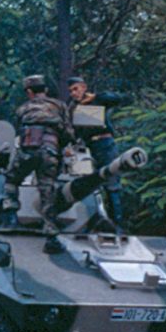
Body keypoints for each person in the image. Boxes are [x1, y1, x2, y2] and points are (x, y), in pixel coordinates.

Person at [2, 75, 75, 254]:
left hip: (27, 150)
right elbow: (68, 134)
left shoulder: (23, 108)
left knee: (11, 179)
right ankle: (51, 236)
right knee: (47, 190)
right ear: (46, 90)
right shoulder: (60, 106)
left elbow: (18, 130)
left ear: (29, 92)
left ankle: (11, 217)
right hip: (49, 151)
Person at [68, 76, 126, 227]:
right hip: (86, 148)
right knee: (85, 181)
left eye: (76, 89)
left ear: (83, 87)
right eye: (71, 91)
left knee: (112, 184)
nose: (74, 93)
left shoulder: (97, 100)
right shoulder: (72, 108)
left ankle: (117, 224)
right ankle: (89, 222)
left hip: (104, 144)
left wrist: (97, 97)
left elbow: (117, 99)